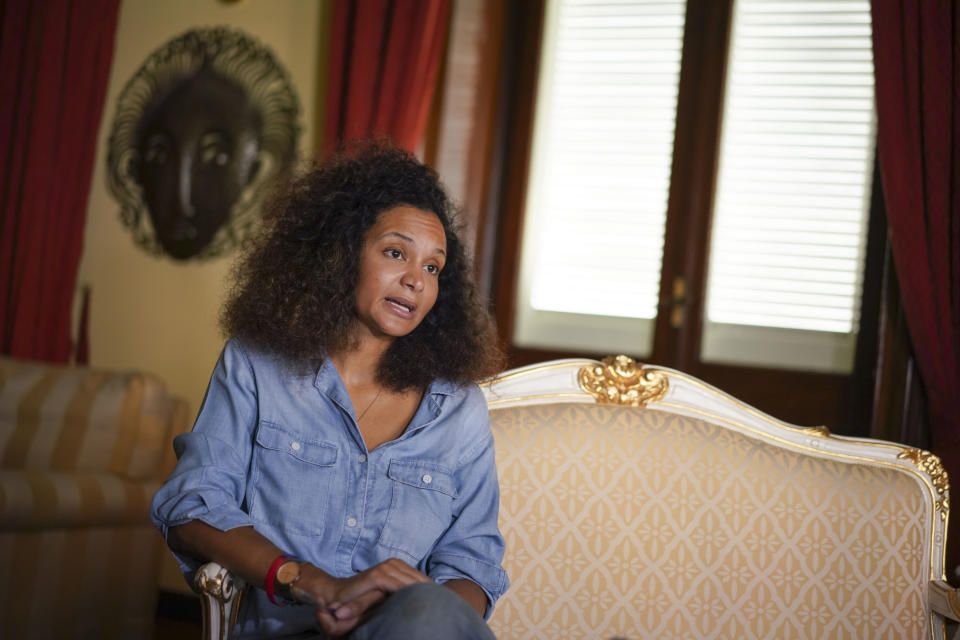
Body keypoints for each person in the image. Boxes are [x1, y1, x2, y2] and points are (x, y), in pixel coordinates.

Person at [150, 141, 508, 638]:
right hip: (285, 627)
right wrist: (317, 585)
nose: (415, 281)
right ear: (341, 254)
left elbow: (472, 562)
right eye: (395, 252)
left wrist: (417, 617)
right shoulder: (257, 366)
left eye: (432, 267)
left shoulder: (457, 407)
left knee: (425, 611)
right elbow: (191, 506)